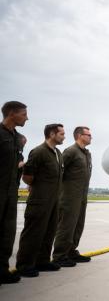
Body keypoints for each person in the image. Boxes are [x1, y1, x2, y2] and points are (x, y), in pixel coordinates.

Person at [16, 124, 65, 277]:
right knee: (33, 233)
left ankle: (42, 261)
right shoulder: (39, 152)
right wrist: (39, 189)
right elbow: (27, 176)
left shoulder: (58, 153)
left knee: (49, 232)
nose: (64, 136)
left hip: (54, 200)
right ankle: (25, 265)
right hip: (40, 200)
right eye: (61, 133)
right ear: (51, 134)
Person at [52, 126, 92, 267]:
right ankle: (59, 255)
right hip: (69, 197)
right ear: (80, 136)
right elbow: (59, 171)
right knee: (66, 226)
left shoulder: (86, 153)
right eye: (88, 135)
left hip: (82, 196)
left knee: (78, 225)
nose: (90, 137)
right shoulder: (70, 152)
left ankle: (71, 251)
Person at [0, 101, 28, 285]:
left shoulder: (18, 138)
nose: (27, 117)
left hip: (11, 191)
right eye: (24, 114)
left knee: (7, 232)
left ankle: (2, 270)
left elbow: (16, 162)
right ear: (11, 113)